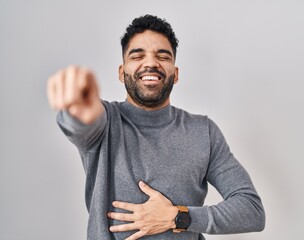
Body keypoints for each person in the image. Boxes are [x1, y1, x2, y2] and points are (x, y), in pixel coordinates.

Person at [47, 14, 265, 240]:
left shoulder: (204, 132)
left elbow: (251, 210)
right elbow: (81, 124)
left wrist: (177, 217)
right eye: (137, 55)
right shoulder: (105, 122)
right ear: (122, 72)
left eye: (163, 56)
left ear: (176, 74)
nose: (150, 63)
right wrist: (76, 112)